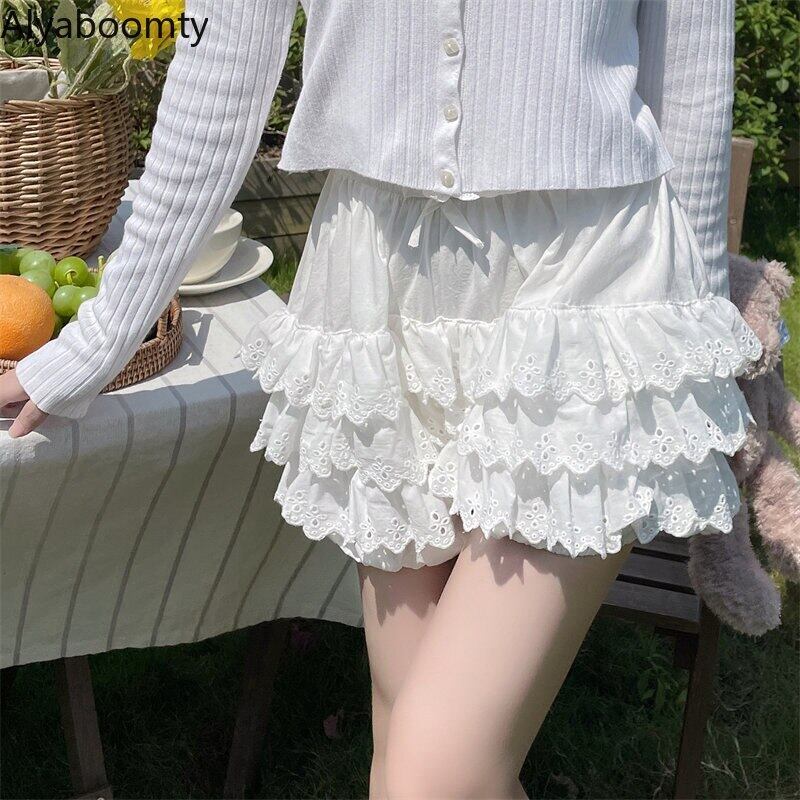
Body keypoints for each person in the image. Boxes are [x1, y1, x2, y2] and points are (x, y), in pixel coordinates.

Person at [1, 2, 760, 797]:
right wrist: (97, 340)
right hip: (377, 288)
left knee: (434, 771)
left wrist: (696, 351)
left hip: (594, 283)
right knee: (404, 749)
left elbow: (691, 72)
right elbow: (218, 70)